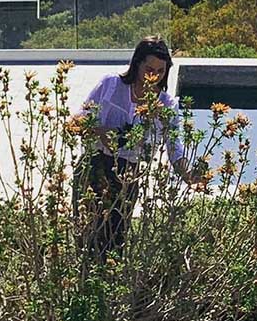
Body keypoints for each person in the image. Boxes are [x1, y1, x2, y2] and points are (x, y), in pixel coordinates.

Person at [77, 35, 190, 251]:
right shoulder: (110, 84)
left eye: (160, 71)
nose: (154, 76)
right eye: (149, 69)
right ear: (137, 64)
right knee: (86, 236)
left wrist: (189, 175)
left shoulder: (166, 104)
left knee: (115, 239)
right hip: (93, 165)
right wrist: (102, 132)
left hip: (127, 175)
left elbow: (174, 145)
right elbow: (77, 120)